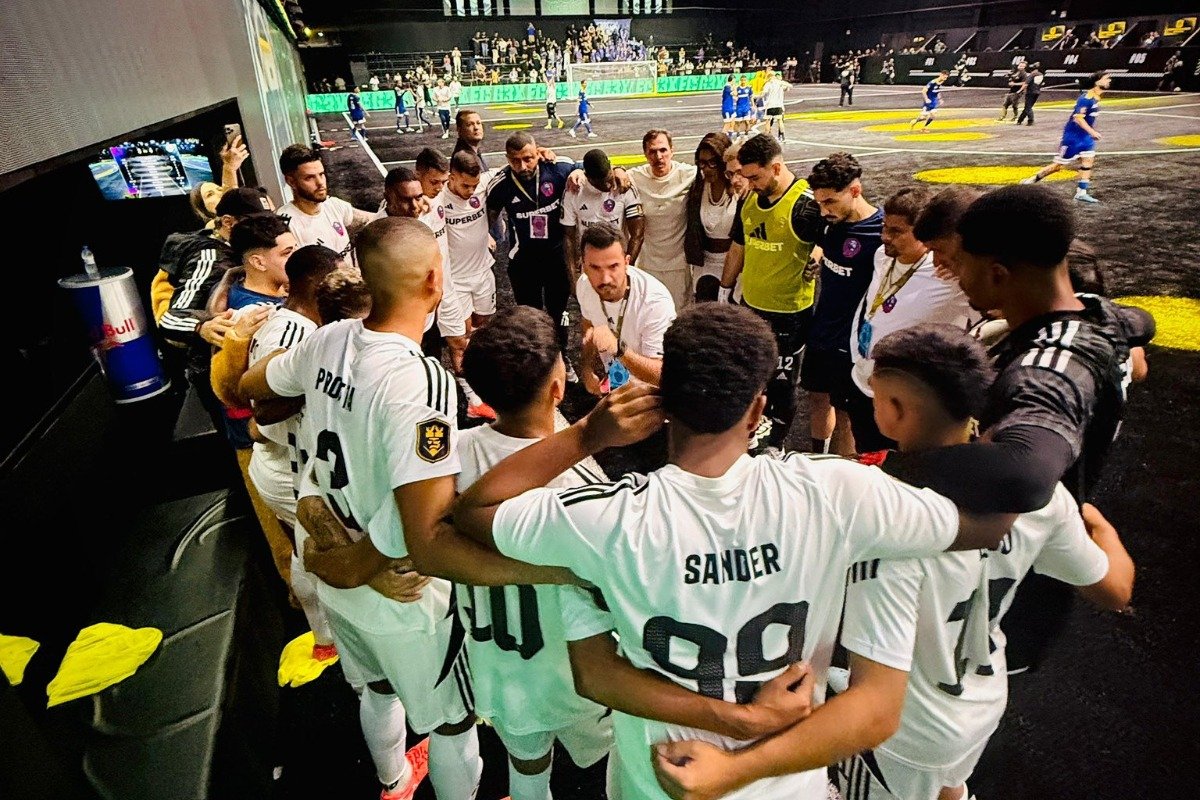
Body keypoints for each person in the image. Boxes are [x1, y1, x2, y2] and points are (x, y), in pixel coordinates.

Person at [451, 304, 1014, 800]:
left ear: (663, 402)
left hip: (655, 778)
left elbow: (474, 514)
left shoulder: (605, 517)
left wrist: (583, 436)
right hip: (785, 783)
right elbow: (981, 528)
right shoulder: (840, 493)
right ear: (757, 410)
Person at [239, 218, 577, 800]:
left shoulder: (324, 338)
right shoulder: (425, 383)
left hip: (334, 573)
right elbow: (424, 528)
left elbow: (249, 384)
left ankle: (393, 782)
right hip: (399, 594)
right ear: (431, 280)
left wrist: (320, 513)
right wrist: (361, 563)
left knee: (374, 691)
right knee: (451, 721)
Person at [834, 324, 1135, 800]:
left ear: (892, 410)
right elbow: (1114, 590)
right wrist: (1108, 534)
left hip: (900, 721)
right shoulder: (1044, 497)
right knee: (951, 788)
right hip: (978, 702)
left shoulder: (871, 501)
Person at [883, 185, 1154, 673]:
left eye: (958, 262)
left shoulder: (1047, 370)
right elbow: (1141, 322)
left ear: (998, 273)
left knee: (965, 675)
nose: (953, 275)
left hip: (1013, 565)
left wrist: (883, 473)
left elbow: (1023, 474)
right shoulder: (1096, 314)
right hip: (1049, 546)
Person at [453, 306, 615, 799]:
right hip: (576, 678)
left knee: (527, 770)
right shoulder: (588, 487)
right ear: (559, 388)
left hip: (498, 667)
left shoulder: (449, 460)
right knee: (607, 774)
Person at [210, 244, 346, 664]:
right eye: (340, 279)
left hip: (288, 460)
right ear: (321, 285)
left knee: (310, 547)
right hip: (288, 463)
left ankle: (324, 638)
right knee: (334, 551)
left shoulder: (296, 322)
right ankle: (345, 643)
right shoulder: (293, 334)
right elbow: (263, 406)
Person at [847, 187, 976, 452]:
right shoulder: (882, 256)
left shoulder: (948, 275)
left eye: (896, 232)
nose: (885, 237)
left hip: (908, 401)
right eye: (885, 227)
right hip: (865, 382)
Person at [720, 133, 823, 450]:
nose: (747, 183)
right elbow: (739, 246)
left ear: (776, 167)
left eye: (754, 176)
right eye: (743, 175)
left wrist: (818, 254)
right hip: (751, 306)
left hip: (789, 315)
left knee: (782, 385)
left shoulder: (806, 205)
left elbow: (829, 238)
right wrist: (725, 290)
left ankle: (776, 444)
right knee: (751, 375)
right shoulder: (749, 200)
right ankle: (753, 429)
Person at [801, 153, 883, 456]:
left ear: (855, 190)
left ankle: (841, 470)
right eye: (820, 203)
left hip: (851, 342)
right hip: (822, 329)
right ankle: (817, 457)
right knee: (817, 397)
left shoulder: (881, 233)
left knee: (848, 414)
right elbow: (826, 244)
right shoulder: (831, 222)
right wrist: (818, 258)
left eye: (830, 202)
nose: (824, 211)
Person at [485, 132, 579, 366]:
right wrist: (486, 234)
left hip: (557, 258)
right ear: (507, 159)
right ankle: (538, 361)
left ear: (538, 153)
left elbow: (587, 167)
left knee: (557, 312)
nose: (523, 166)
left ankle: (560, 356)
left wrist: (579, 171)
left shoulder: (559, 168)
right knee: (530, 316)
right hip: (524, 261)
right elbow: (488, 211)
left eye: (528, 158)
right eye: (515, 160)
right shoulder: (501, 184)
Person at [575, 224, 675, 395]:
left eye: (613, 266)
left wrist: (619, 349)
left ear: (626, 262)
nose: (605, 278)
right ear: (583, 265)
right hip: (615, 383)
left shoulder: (654, 302)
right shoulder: (584, 285)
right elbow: (588, 326)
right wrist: (587, 369)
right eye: (595, 268)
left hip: (650, 395)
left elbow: (661, 376)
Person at [628, 130, 700, 311]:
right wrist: (577, 174)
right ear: (645, 154)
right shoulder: (634, 177)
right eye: (652, 152)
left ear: (672, 151)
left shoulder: (688, 175)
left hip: (678, 266)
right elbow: (603, 173)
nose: (658, 157)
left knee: (677, 319)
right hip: (647, 266)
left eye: (663, 150)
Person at [1022, 70, 1111, 204]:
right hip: (1072, 138)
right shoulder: (1086, 98)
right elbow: (1078, 119)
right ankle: (1031, 180)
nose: (1109, 81)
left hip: (1085, 137)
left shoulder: (1096, 97)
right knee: (1057, 166)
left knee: (1088, 161)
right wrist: (1092, 132)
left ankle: (1081, 193)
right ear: (1097, 82)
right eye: (1106, 78)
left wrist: (1089, 133)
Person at [276, 144, 375, 263]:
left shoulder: (333, 205)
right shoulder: (284, 223)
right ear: (291, 181)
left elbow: (372, 219)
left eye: (321, 174)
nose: (320, 183)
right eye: (309, 178)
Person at [561, 149, 645, 283]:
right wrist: (572, 280)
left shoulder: (623, 185)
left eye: (608, 179)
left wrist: (626, 269)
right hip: (591, 265)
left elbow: (638, 234)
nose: (607, 185)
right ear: (587, 176)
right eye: (600, 182)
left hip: (618, 262)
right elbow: (568, 237)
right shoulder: (575, 190)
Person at [684, 133, 742, 302]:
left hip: (735, 266)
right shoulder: (697, 188)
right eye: (702, 163)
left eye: (712, 162)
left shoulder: (741, 189)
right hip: (704, 265)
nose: (706, 168)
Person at [760, 69, 791, 142]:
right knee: (780, 121)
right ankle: (783, 137)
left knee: (768, 121)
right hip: (779, 105)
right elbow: (789, 86)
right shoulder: (780, 83)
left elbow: (763, 94)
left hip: (770, 105)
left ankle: (766, 137)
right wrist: (784, 83)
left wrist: (755, 96)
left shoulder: (768, 84)